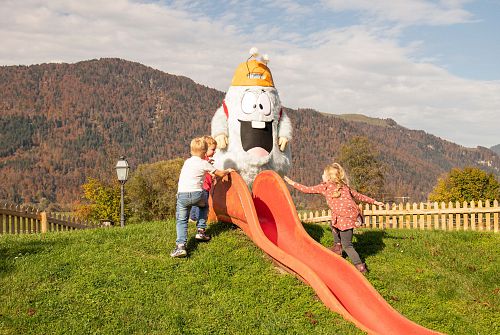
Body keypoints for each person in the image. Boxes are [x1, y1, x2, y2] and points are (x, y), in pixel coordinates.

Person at [284, 163, 384, 274]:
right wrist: (374, 202)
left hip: (345, 219)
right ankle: (337, 248)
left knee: (348, 246)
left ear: (328, 177)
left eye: (323, 173)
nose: (322, 175)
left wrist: (291, 182)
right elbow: (359, 196)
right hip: (349, 218)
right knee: (333, 224)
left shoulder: (325, 186)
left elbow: (307, 189)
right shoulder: (344, 186)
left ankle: (360, 266)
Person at [170, 137, 234, 258]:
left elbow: (195, 169)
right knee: (204, 206)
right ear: (205, 152)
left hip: (182, 195)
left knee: (182, 220)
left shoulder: (187, 162)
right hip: (197, 194)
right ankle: (200, 231)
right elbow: (219, 173)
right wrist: (228, 170)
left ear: (191, 150)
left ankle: (181, 247)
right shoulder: (204, 163)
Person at [189, 136, 217, 224]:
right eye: (212, 149)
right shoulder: (204, 161)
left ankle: (192, 218)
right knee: (203, 204)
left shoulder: (203, 160)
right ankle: (199, 219)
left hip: (199, 186)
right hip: (204, 186)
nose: (214, 151)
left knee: (196, 202)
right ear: (205, 149)